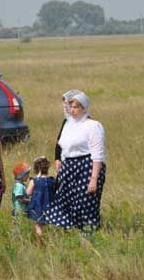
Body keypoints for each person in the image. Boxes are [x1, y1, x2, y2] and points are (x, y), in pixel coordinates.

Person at [40, 90, 106, 232]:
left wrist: (94, 179)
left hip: (87, 167)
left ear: (84, 108)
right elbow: (63, 145)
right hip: (69, 166)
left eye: (76, 107)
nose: (72, 110)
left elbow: (97, 154)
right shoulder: (68, 124)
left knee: (85, 202)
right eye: (71, 107)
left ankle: (88, 234)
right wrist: (59, 159)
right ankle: (70, 231)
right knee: (63, 200)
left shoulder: (93, 125)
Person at [28, 156, 56, 235]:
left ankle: (40, 241)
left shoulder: (34, 180)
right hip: (51, 206)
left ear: (36, 169)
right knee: (50, 224)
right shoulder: (52, 180)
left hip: (38, 206)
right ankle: (51, 239)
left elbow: (28, 193)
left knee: (38, 225)